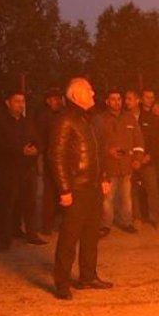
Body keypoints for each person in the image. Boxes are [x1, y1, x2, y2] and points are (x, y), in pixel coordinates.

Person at [50, 77, 113, 299]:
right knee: (69, 236)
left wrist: (104, 177)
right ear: (76, 95)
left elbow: (98, 150)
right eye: (88, 89)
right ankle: (62, 283)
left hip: (94, 186)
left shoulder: (91, 117)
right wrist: (64, 190)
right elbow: (56, 157)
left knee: (91, 235)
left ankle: (88, 277)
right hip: (76, 188)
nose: (93, 92)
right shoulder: (65, 119)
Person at [0, 90, 45, 249]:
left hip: (27, 169)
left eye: (22, 102)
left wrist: (36, 150)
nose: (20, 105)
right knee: (6, 204)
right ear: (8, 103)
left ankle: (30, 233)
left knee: (28, 203)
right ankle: (3, 237)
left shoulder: (27, 122)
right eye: (17, 101)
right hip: (7, 169)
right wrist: (19, 150)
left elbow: (37, 140)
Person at [99, 89, 143, 234]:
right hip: (109, 167)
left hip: (127, 165)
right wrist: (108, 151)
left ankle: (127, 222)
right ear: (107, 101)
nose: (117, 102)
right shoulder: (100, 120)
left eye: (119, 99)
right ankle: (105, 225)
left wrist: (137, 159)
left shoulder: (130, 118)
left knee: (126, 198)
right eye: (113, 99)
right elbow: (95, 142)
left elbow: (138, 140)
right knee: (107, 199)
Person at [132, 89, 159, 230]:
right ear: (140, 99)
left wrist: (149, 155)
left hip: (151, 158)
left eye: (152, 97)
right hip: (134, 157)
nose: (150, 100)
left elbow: (158, 138)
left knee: (154, 189)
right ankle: (137, 217)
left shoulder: (155, 116)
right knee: (134, 189)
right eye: (147, 97)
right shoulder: (135, 116)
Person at [36, 88, 64, 236]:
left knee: (63, 192)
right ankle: (47, 226)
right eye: (55, 98)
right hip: (49, 158)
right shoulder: (43, 117)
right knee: (49, 194)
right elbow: (40, 137)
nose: (58, 101)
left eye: (59, 98)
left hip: (62, 158)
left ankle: (60, 223)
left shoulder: (62, 115)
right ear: (48, 101)